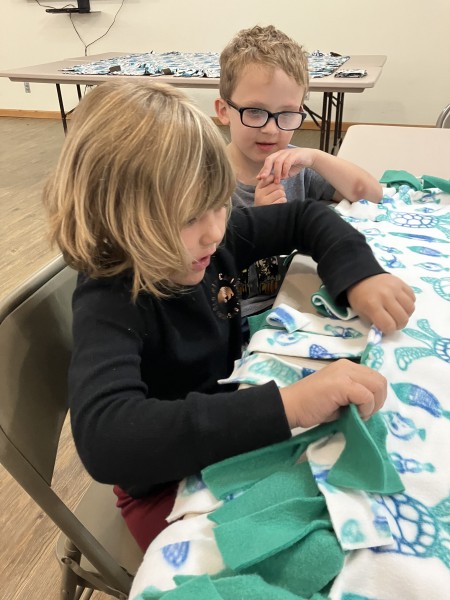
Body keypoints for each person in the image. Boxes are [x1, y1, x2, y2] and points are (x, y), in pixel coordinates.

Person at [43, 79, 415, 552]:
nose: (216, 232)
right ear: (115, 218)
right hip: (165, 484)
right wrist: (290, 405)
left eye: (219, 203)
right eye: (189, 217)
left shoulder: (210, 233)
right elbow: (108, 440)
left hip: (231, 418)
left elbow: (307, 218)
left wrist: (358, 274)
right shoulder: (110, 295)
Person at [215, 25, 384, 319]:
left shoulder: (297, 167)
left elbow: (370, 193)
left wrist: (316, 157)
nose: (271, 129)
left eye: (287, 114)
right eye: (254, 112)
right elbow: (207, 278)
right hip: (236, 322)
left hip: (295, 307)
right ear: (223, 111)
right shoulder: (206, 181)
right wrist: (261, 225)